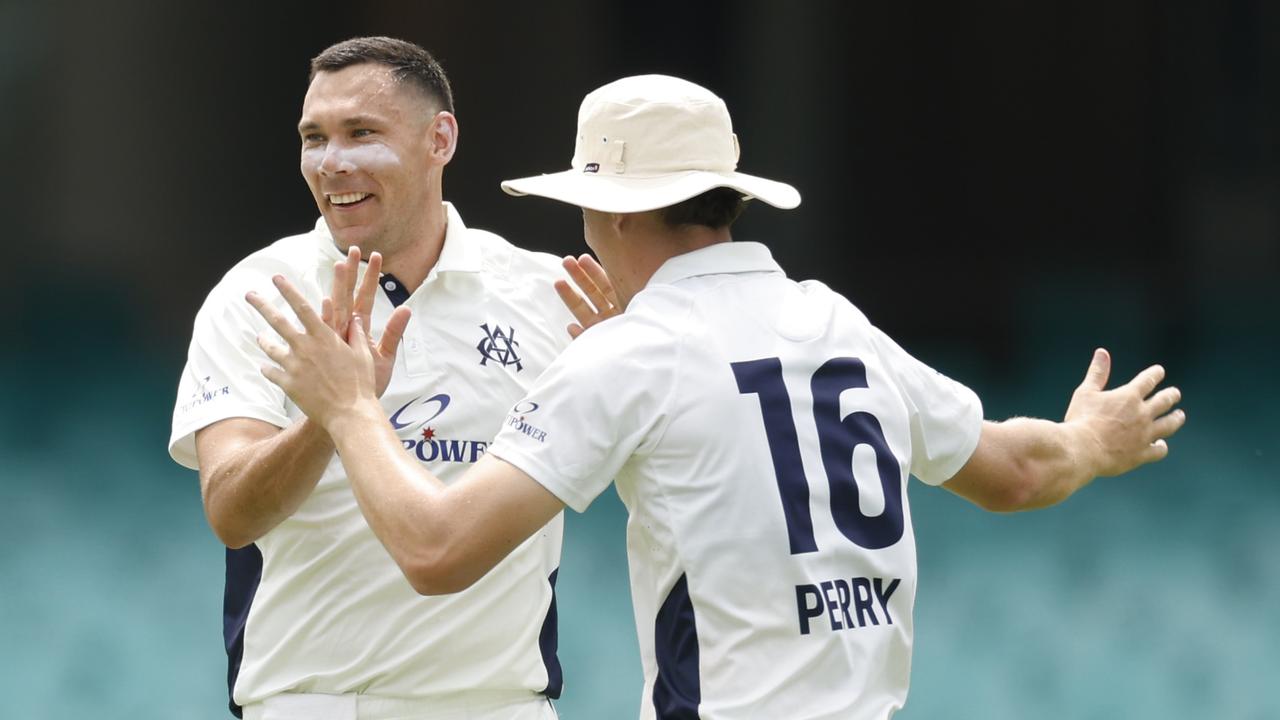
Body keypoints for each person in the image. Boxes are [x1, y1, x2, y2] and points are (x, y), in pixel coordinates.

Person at [247, 75, 1186, 719]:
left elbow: (436, 550)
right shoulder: (831, 322)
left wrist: (349, 407)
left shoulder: (629, 356)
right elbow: (1018, 470)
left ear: (610, 210)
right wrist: (1093, 438)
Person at [169, 37, 617, 720]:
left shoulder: (545, 294)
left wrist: (632, 383)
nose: (331, 162)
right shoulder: (258, 293)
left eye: (361, 133)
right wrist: (331, 413)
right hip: (313, 704)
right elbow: (230, 513)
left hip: (500, 705)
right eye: (313, 137)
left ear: (440, 139)